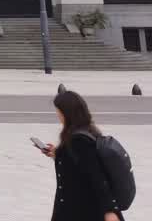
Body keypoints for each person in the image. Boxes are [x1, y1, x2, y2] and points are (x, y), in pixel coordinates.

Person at [39, 90, 123, 221]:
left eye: (59, 111)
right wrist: (57, 154)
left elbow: (97, 176)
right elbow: (77, 164)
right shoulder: (86, 131)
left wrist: (110, 211)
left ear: (67, 113)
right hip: (75, 207)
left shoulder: (80, 141)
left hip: (81, 210)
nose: (58, 115)